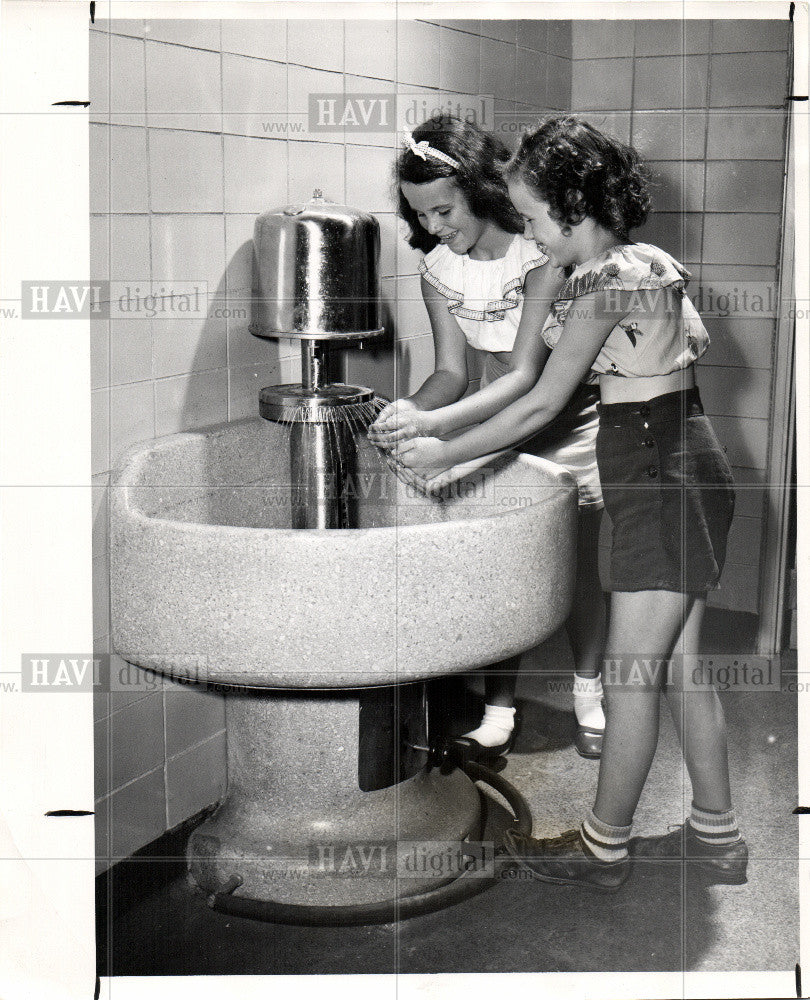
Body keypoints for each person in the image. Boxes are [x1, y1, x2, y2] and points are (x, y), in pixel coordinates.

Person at [392, 114, 746, 888]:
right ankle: (718, 839)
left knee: (631, 679)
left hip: (653, 474)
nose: (531, 234)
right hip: (685, 462)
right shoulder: (645, 262)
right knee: (682, 669)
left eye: (535, 218)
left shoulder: (605, 281)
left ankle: (601, 847)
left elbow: (539, 405)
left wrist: (442, 458)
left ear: (574, 209)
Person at [368, 115, 607, 761]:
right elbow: (451, 372)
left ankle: (591, 694)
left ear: (478, 189)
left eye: (444, 210)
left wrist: (438, 430)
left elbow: (530, 375)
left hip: (569, 422)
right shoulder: (439, 269)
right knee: (513, 568)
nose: (434, 227)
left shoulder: (541, 256)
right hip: (503, 426)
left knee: (581, 570)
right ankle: (499, 709)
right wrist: (406, 410)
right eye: (421, 216)